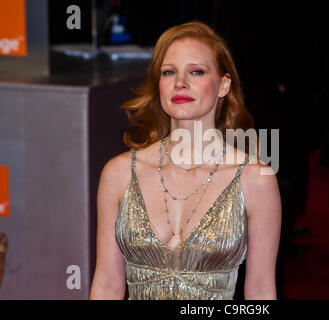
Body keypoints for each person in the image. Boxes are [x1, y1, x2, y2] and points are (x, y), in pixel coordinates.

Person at [89, 21, 281, 300]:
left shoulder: (254, 179)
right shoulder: (119, 173)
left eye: (197, 71)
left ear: (223, 85)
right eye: (169, 72)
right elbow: (106, 285)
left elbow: (261, 291)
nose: (180, 82)